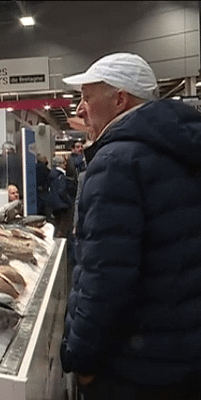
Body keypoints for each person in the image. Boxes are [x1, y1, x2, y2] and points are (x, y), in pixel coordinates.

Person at [61, 52, 201, 399]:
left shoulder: (116, 161)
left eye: (87, 97)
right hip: (182, 355)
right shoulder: (181, 147)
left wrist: (82, 358)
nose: (80, 109)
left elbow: (105, 277)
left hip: (134, 368)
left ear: (120, 98)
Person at [46, 156, 72, 237]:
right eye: (64, 163)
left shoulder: (51, 175)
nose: (65, 165)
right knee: (63, 227)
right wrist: (68, 200)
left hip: (53, 204)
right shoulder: (61, 176)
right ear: (60, 164)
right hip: (62, 205)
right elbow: (62, 190)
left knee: (57, 224)